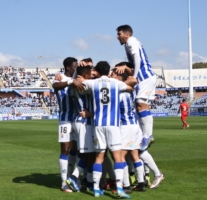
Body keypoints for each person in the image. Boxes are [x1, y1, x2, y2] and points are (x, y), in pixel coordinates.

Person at [81, 61, 136, 198]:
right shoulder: (116, 83)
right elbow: (132, 85)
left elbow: (80, 81)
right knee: (117, 158)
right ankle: (119, 188)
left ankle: (95, 189)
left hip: (98, 125)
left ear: (97, 72)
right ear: (108, 71)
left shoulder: (93, 83)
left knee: (99, 157)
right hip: (113, 125)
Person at [116, 25, 156, 150]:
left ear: (126, 35)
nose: (118, 37)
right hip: (144, 78)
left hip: (145, 77)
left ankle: (147, 135)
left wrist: (134, 75)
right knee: (141, 105)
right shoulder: (130, 43)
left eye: (119, 34)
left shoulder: (131, 42)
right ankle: (146, 134)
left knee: (140, 103)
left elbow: (137, 59)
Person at [52, 57, 83, 192]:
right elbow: (55, 86)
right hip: (64, 119)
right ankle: (64, 182)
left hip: (77, 119)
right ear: (68, 67)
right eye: (75, 65)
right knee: (65, 148)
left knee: (76, 149)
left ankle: (73, 178)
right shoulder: (59, 78)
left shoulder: (79, 78)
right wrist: (70, 81)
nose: (76, 67)